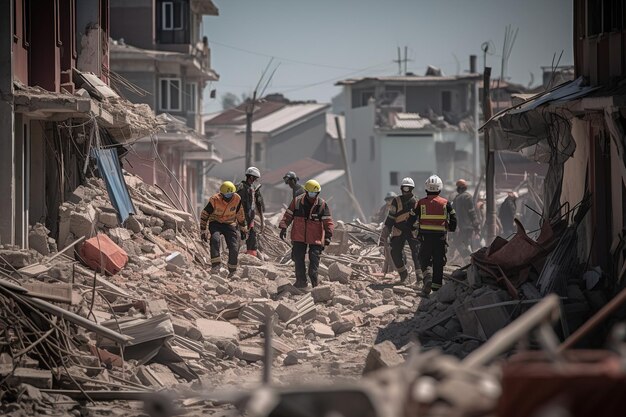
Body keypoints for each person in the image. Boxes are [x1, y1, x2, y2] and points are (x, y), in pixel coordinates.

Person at [279, 180, 334, 288]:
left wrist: (328, 236)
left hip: (315, 237)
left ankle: (314, 285)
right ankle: (301, 282)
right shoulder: (297, 201)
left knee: (314, 260)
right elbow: (288, 215)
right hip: (299, 235)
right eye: (311, 193)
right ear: (306, 191)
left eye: (316, 193)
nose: (313, 196)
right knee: (298, 258)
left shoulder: (322, 205)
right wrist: (283, 227)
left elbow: (328, 221)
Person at [412, 175, 457, 294]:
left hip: (425, 237)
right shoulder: (445, 203)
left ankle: (427, 278)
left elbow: (411, 219)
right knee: (438, 261)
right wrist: (451, 228)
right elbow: (454, 218)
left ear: (426, 188)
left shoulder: (420, 203)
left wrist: (412, 229)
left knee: (423, 259)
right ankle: (436, 289)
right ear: (440, 188)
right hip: (440, 238)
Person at [200, 181, 247, 277]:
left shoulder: (237, 199)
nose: (229, 197)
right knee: (215, 239)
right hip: (215, 222)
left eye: (231, 194)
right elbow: (205, 214)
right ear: (221, 194)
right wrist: (203, 230)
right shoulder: (214, 200)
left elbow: (240, 214)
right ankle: (216, 265)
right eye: (227, 195)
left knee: (234, 246)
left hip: (229, 223)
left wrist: (243, 229)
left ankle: (232, 270)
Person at [380, 178, 421, 284]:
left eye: (408, 188)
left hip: (413, 231)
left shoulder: (417, 201)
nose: (406, 190)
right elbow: (391, 217)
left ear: (412, 189)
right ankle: (403, 275)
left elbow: (421, 218)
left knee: (417, 254)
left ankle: (420, 278)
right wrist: (387, 229)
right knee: (395, 252)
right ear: (401, 188)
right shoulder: (396, 201)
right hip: (399, 230)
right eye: (404, 188)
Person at [236, 167, 265, 257]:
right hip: (240, 218)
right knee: (237, 238)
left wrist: (261, 221)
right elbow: (238, 204)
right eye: (255, 178)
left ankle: (251, 257)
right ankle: (233, 257)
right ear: (251, 177)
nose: (255, 181)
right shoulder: (241, 187)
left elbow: (258, 204)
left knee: (252, 238)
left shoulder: (253, 188)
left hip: (250, 218)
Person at [452, 179, 479, 260]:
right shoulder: (468, 197)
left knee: (459, 243)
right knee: (466, 243)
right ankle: (470, 260)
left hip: (461, 226)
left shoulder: (457, 198)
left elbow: (454, 213)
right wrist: (476, 226)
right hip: (468, 227)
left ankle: (469, 258)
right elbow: (472, 213)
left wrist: (455, 226)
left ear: (459, 188)